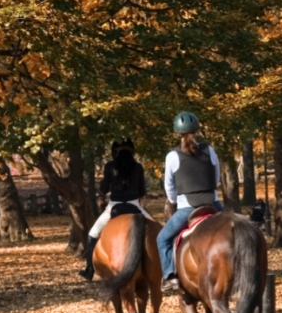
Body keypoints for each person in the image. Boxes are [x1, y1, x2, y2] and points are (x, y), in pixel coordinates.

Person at [157, 111, 224, 293]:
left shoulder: (172, 156)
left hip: (187, 207)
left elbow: (169, 185)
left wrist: (174, 201)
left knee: (162, 239)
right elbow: (217, 177)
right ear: (197, 131)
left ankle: (170, 277)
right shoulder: (209, 150)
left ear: (177, 134)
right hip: (213, 204)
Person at [78, 138, 152, 281]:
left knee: (92, 233)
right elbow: (142, 191)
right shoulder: (138, 167)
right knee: (158, 231)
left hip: (114, 206)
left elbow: (104, 189)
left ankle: (89, 270)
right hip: (135, 205)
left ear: (115, 152)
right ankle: (162, 269)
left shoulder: (110, 166)